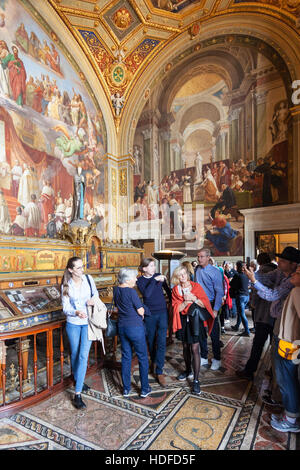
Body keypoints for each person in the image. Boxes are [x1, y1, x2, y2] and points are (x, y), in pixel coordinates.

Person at [61, 257, 99, 409]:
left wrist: (92, 301)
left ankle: (77, 393)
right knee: (76, 354)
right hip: (73, 323)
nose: (82, 270)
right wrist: (76, 311)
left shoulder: (88, 279)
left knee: (83, 355)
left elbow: (95, 295)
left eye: (82, 266)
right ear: (71, 270)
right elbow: (65, 307)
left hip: (88, 323)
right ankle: (79, 379)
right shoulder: (66, 285)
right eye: (78, 268)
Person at [171, 265, 214, 395]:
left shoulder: (196, 287)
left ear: (188, 274)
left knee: (195, 348)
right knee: (185, 347)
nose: (183, 276)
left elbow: (205, 304)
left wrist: (194, 298)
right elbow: (176, 309)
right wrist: (185, 301)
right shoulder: (175, 290)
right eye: (180, 274)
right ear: (177, 277)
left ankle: (196, 380)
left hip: (195, 321)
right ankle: (188, 370)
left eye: (184, 273)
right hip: (183, 321)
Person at [237, 253, 277, 380]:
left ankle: (249, 371)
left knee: (258, 344)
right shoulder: (278, 272)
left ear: (259, 262)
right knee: (275, 344)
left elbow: (255, 293)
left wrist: (253, 305)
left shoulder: (261, 273)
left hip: (263, 315)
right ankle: (274, 370)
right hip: (277, 315)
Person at [270, 265, 300, 433]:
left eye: (299, 272)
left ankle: (291, 419)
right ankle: (290, 414)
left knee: (286, 379)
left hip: (289, 342)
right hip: (291, 341)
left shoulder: (297, 292)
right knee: (289, 378)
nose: (294, 273)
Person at [113, 268, 151, 398]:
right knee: (142, 357)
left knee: (126, 357)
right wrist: (141, 311)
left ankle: (126, 389)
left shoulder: (116, 290)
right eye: (134, 277)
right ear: (128, 280)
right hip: (135, 327)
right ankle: (145, 388)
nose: (136, 279)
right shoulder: (131, 292)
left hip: (122, 327)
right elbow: (141, 311)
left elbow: (118, 308)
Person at [137, 258, 171, 387]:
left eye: (154, 266)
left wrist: (173, 302)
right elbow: (147, 294)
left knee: (162, 341)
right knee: (151, 341)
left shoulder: (158, 276)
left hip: (162, 313)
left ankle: (159, 370)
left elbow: (167, 290)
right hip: (150, 315)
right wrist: (154, 280)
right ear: (144, 268)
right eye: (151, 266)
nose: (154, 268)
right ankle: (153, 361)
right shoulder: (140, 280)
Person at [195, 248, 224, 370]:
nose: (199, 259)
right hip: (199, 303)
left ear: (208, 257)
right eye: (198, 256)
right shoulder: (197, 269)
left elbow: (219, 291)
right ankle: (204, 357)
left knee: (214, 333)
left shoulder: (215, 271)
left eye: (202, 257)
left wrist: (216, 309)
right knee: (201, 332)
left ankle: (217, 359)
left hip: (211, 304)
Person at [230, 261, 251, 336]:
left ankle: (247, 331)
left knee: (242, 314)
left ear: (238, 267)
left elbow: (231, 284)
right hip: (246, 296)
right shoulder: (246, 275)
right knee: (240, 312)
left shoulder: (237, 275)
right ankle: (237, 326)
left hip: (240, 296)